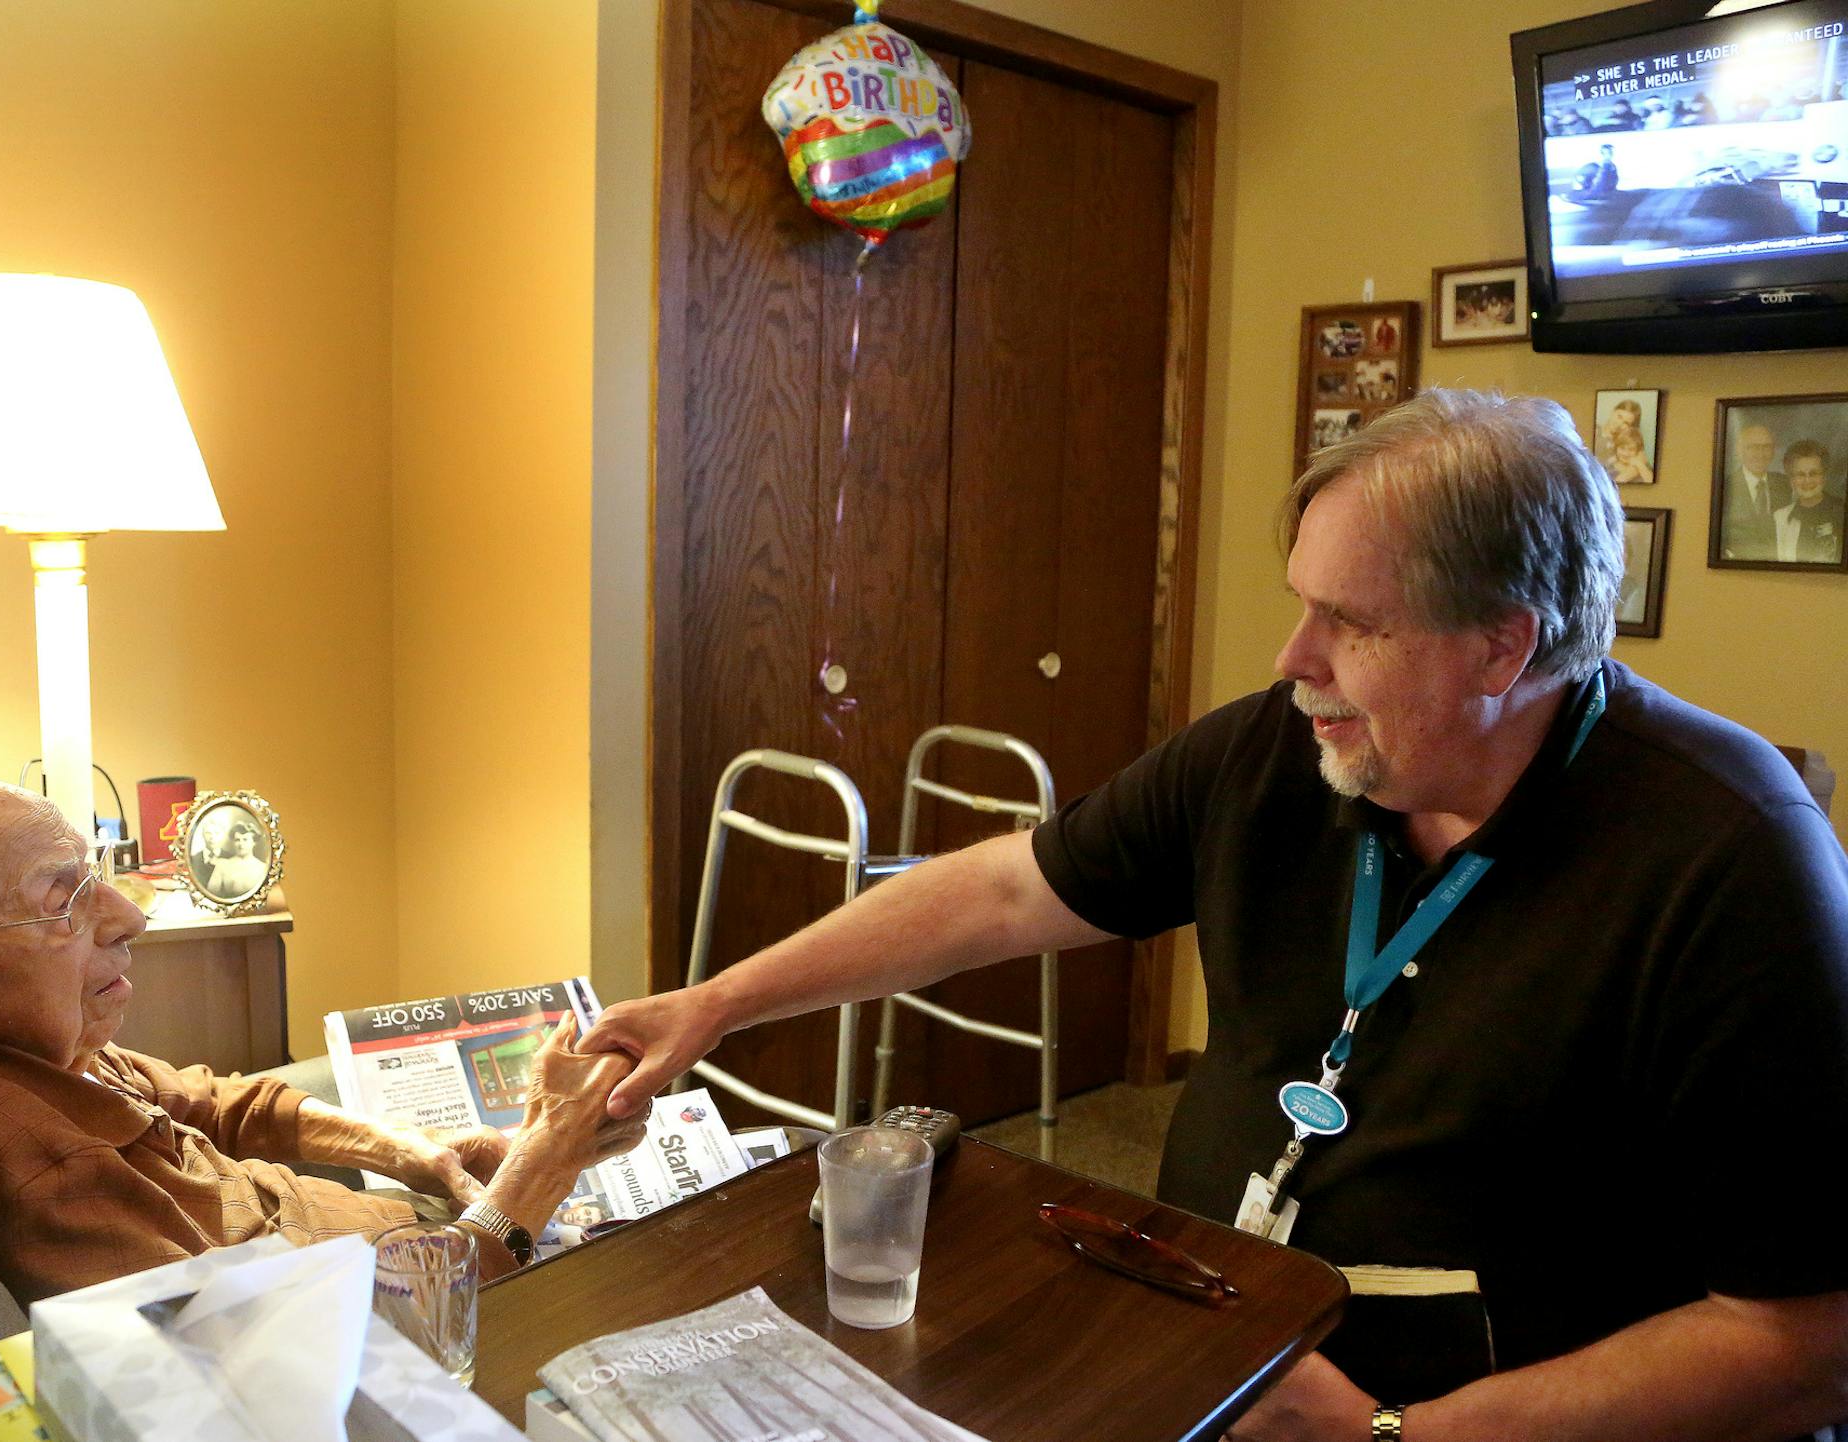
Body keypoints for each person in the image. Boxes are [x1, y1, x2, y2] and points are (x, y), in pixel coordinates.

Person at [585, 390, 1848, 1441]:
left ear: (1503, 647)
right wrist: (720, 1002)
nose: (1294, 658)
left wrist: (1389, 1436)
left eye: (1350, 622)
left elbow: (1797, 1342)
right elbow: (1014, 884)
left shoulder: (1734, 859)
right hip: (1220, 1354)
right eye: (1301, 601)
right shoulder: (1284, 745)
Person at [0, 781, 647, 1305]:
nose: (130, 917)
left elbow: (220, 1102)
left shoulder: (47, 1050)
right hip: (446, 1302)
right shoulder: (44, 1175)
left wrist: (416, 1153)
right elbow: (338, 1359)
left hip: (427, 1236)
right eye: (65, 902)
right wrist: (540, 1173)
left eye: (97, 872)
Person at [1724, 420, 1793, 560]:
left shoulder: (1785, 484)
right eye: (1753, 447)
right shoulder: (1725, 487)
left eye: (1766, 447)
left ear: (1774, 450)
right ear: (1739, 450)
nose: (1760, 454)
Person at [1774, 439, 1843, 563]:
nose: (1807, 481)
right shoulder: (1780, 518)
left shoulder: (1842, 513)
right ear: (1791, 480)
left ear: (1824, 476)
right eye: (1800, 474)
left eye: (1814, 473)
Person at [207, 818, 269, 898]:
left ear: (254, 842)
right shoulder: (222, 865)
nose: (241, 844)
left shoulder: (263, 867)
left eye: (245, 839)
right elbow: (210, 895)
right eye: (237, 840)